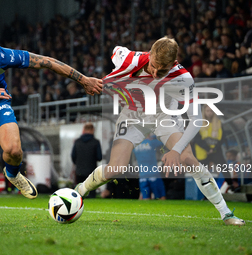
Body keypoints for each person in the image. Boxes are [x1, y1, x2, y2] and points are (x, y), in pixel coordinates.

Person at [75, 37, 245, 226]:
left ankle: (226, 213)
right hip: (133, 113)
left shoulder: (182, 78)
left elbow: (196, 120)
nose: (156, 73)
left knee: (188, 158)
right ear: (150, 53)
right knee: (117, 168)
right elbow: (116, 50)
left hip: (165, 114)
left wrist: (176, 150)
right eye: (153, 65)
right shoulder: (129, 59)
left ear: (173, 63)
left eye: (162, 69)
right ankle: (80, 191)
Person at [0, 31, 103, 224]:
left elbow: (45, 61)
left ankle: (13, 174)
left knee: (14, 150)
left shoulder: (2, 56)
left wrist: (83, 80)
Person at [71, 123, 102, 198]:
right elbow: (99, 157)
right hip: (92, 172)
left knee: (79, 194)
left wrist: (78, 164)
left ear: (84, 130)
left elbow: (73, 156)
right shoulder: (96, 142)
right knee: (91, 194)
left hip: (79, 172)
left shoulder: (77, 142)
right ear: (92, 130)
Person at [133, 135, 166, 200]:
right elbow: (164, 140)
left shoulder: (135, 146)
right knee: (161, 197)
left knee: (146, 198)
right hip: (154, 174)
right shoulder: (151, 142)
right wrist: (154, 136)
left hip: (142, 176)